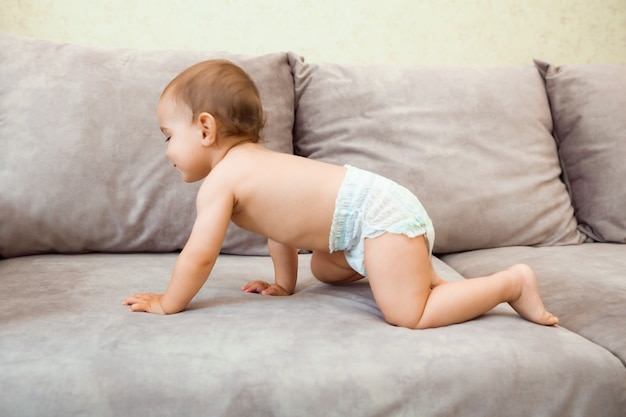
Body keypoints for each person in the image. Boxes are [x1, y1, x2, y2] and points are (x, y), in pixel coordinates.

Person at [123, 60, 559, 329]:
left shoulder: (222, 182)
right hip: (358, 227)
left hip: (379, 215)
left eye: (167, 136)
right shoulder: (256, 167)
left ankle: (509, 283)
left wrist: (168, 302)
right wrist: (284, 285)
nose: (167, 151)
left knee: (409, 315)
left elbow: (199, 255)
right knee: (327, 270)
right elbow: (281, 230)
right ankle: (406, 271)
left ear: (204, 128)